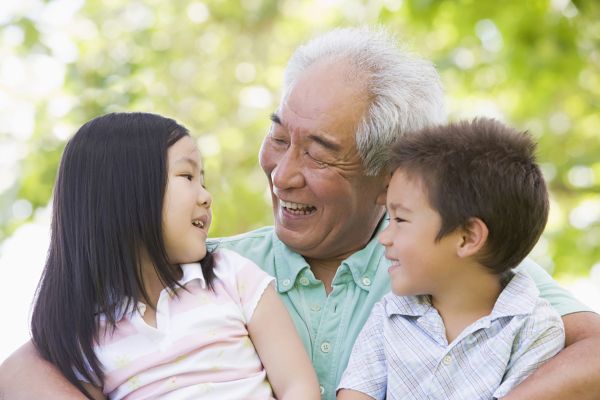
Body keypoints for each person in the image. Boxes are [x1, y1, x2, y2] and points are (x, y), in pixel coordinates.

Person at [1, 27, 600, 400]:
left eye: (319, 154)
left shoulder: (439, 265)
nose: (282, 172)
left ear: (389, 176)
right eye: (280, 137)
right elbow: (30, 365)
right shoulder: (218, 268)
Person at [25, 112, 320, 399]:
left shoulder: (232, 276)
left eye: (201, 180)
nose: (206, 196)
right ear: (128, 193)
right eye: (187, 176)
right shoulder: (83, 338)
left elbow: (298, 386)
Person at [337, 118, 565, 399]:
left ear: (467, 237)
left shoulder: (535, 330)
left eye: (401, 219)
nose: (385, 237)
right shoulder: (389, 315)